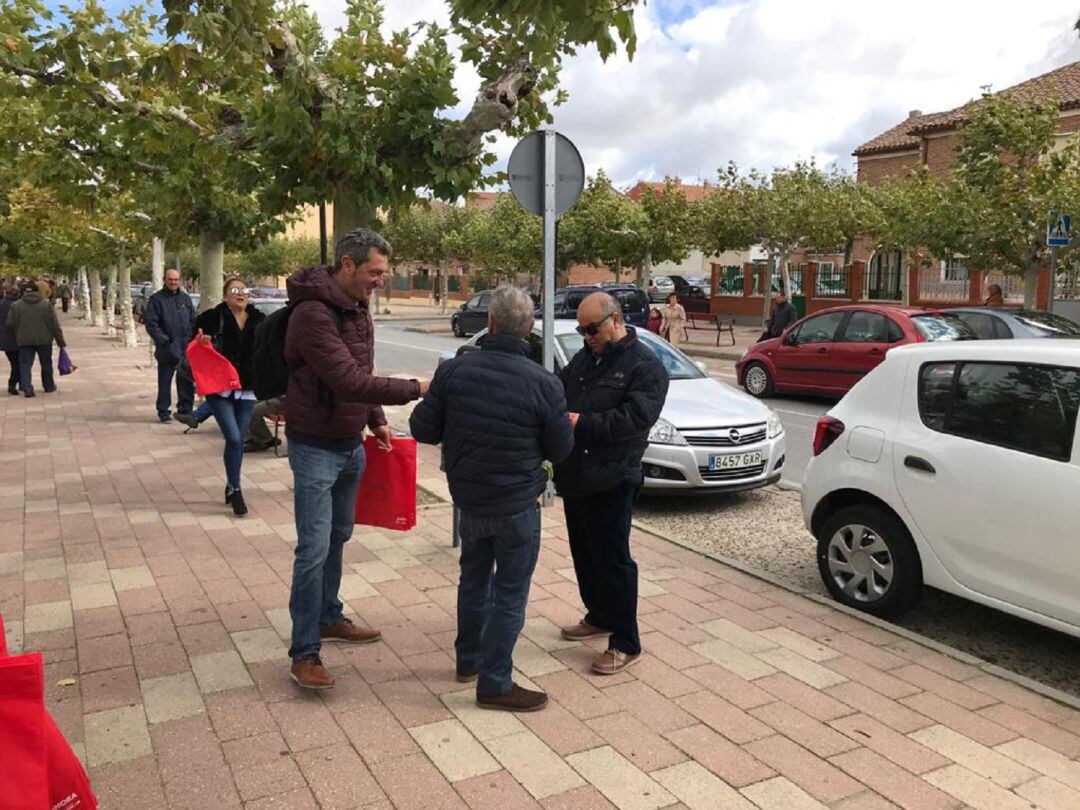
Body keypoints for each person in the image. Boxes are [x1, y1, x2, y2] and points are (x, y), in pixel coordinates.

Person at [410, 286, 574, 713]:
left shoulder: (453, 372)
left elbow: (422, 428)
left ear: (490, 323)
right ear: (530, 328)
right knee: (510, 593)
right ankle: (495, 682)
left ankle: (468, 661)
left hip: (469, 499)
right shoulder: (545, 383)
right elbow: (561, 449)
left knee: (473, 579)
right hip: (517, 504)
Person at [284, 228, 429, 691]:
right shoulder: (312, 313)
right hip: (314, 447)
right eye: (374, 272)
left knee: (338, 536)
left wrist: (376, 419)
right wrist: (419, 388)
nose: (380, 281)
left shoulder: (358, 307)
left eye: (383, 273)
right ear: (347, 265)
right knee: (312, 549)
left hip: (350, 444)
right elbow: (347, 380)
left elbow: (361, 372)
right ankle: (304, 652)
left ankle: (329, 616)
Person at [554, 292, 668, 675]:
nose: (587, 337)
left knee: (613, 560)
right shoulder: (586, 357)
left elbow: (634, 420)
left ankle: (625, 641)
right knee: (584, 553)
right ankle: (599, 615)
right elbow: (560, 388)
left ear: (615, 321)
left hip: (614, 477)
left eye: (592, 329)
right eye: (581, 331)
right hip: (577, 473)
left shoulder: (646, 367)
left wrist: (580, 423)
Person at [193, 278, 266, 517]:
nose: (240, 294)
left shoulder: (259, 319)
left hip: (247, 388)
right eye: (234, 290)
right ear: (225, 295)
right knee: (234, 438)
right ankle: (236, 490)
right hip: (219, 387)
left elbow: (268, 351)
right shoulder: (212, 318)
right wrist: (202, 341)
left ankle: (231, 482)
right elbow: (194, 343)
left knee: (238, 439)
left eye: (244, 290)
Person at [144, 269, 197, 425]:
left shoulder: (185, 299)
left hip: (185, 350)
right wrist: (165, 341)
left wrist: (192, 340)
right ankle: (163, 412)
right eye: (170, 279)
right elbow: (151, 324)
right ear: (164, 279)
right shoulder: (156, 299)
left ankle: (185, 411)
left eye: (176, 279)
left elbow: (193, 320)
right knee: (165, 383)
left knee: (186, 382)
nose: (173, 282)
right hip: (166, 350)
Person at [6, 281, 66, 397]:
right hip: (44, 340)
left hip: (24, 339)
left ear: (23, 292)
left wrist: (19, 330)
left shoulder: (16, 305)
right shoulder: (46, 305)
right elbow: (54, 325)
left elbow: (10, 324)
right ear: (37, 291)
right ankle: (48, 386)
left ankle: (27, 388)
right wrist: (61, 342)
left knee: (25, 364)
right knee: (46, 363)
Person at [0, 284, 21, 395]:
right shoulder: (18, 305)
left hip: (4, 338)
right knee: (17, 363)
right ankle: (12, 384)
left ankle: (19, 382)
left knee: (15, 362)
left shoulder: (1, 303)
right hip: (16, 338)